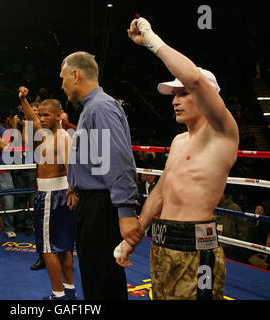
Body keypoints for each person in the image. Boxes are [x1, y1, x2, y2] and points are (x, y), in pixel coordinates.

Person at [121, 17, 240, 300]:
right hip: (161, 244)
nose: (175, 100)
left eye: (183, 93)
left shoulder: (223, 133)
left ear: (206, 97)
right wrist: (134, 238)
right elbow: (161, 191)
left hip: (198, 250)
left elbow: (196, 79)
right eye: (174, 94)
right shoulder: (177, 141)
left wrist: (152, 40)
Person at [60, 51, 141, 300]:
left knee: (103, 280)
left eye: (63, 78)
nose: (62, 85)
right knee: (95, 277)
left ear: (76, 75)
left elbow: (118, 160)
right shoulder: (91, 108)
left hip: (101, 206)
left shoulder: (101, 107)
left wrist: (126, 212)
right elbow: (94, 157)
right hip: (91, 201)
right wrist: (76, 186)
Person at [18, 85, 77, 300]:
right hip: (57, 194)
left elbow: (72, 166)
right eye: (40, 114)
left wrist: (74, 191)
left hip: (52, 196)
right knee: (64, 247)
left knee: (48, 248)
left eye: (46, 115)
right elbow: (32, 119)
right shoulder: (48, 133)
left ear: (59, 115)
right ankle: (69, 291)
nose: (41, 119)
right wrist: (24, 99)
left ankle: (58, 295)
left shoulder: (61, 138)